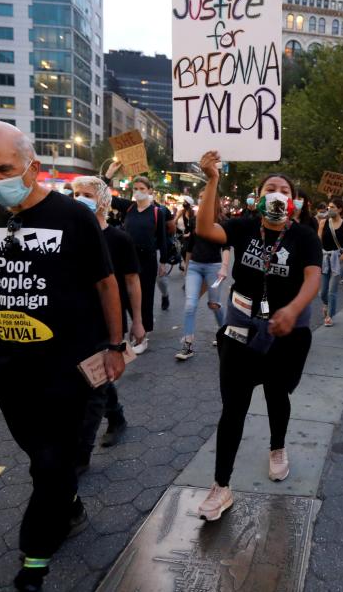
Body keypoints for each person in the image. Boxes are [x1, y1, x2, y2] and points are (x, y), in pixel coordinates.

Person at [0, 121, 126, 592]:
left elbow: (106, 283)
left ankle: (34, 564)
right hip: (10, 368)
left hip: (67, 369)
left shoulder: (73, 217)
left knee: (53, 464)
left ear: (33, 166)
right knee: (40, 459)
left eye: (3, 168)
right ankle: (69, 506)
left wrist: (115, 347)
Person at [193, 151, 321, 521]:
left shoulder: (304, 237)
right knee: (233, 407)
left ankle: (277, 447)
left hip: (286, 334)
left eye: (284, 190)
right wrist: (212, 181)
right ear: (258, 197)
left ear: (293, 202)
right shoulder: (244, 227)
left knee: (277, 394)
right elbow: (205, 229)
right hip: (240, 331)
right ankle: (220, 486)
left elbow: (313, 277)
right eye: (271, 188)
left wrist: (293, 310)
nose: (278, 194)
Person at [72, 176, 144, 467]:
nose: (78, 198)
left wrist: (137, 321)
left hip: (106, 326)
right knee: (93, 378)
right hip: (75, 322)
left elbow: (132, 282)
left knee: (93, 392)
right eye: (75, 193)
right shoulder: (69, 235)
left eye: (86, 194)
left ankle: (81, 456)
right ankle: (117, 416)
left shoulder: (119, 239)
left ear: (103, 200)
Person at [103, 165, 175, 351]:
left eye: (142, 189)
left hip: (147, 259)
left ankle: (144, 336)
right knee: (124, 296)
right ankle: (134, 327)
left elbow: (163, 239)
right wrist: (109, 175)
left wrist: (163, 261)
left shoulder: (158, 211)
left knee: (145, 297)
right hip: (125, 258)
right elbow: (103, 196)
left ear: (150, 191)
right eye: (135, 189)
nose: (138, 192)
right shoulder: (128, 207)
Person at [176, 189, 230, 360]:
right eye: (200, 197)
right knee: (190, 305)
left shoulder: (223, 222)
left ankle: (225, 335)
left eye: (205, 197)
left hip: (213, 268)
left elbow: (227, 247)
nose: (201, 200)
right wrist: (186, 267)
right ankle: (187, 344)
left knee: (213, 304)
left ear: (215, 201)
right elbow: (190, 245)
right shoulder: (194, 220)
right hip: (194, 267)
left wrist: (224, 267)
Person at [317, 198, 343, 327]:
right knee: (322, 292)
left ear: (340, 209)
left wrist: (342, 257)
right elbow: (318, 241)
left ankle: (329, 316)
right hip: (324, 259)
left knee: (332, 291)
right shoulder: (323, 222)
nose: (329, 209)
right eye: (328, 207)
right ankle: (326, 304)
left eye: (332, 207)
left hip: (337, 259)